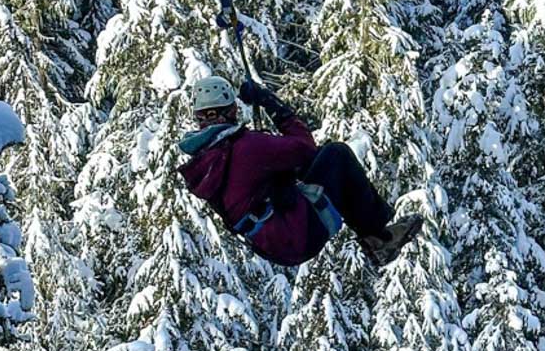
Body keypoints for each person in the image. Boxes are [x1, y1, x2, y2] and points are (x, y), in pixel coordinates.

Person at [178, 74, 423, 268]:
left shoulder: (206, 158)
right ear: (232, 110)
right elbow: (306, 147)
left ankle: (375, 238)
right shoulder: (246, 147)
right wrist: (271, 104)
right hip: (295, 233)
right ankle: (379, 239)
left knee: (303, 170)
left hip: (274, 243)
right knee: (336, 155)